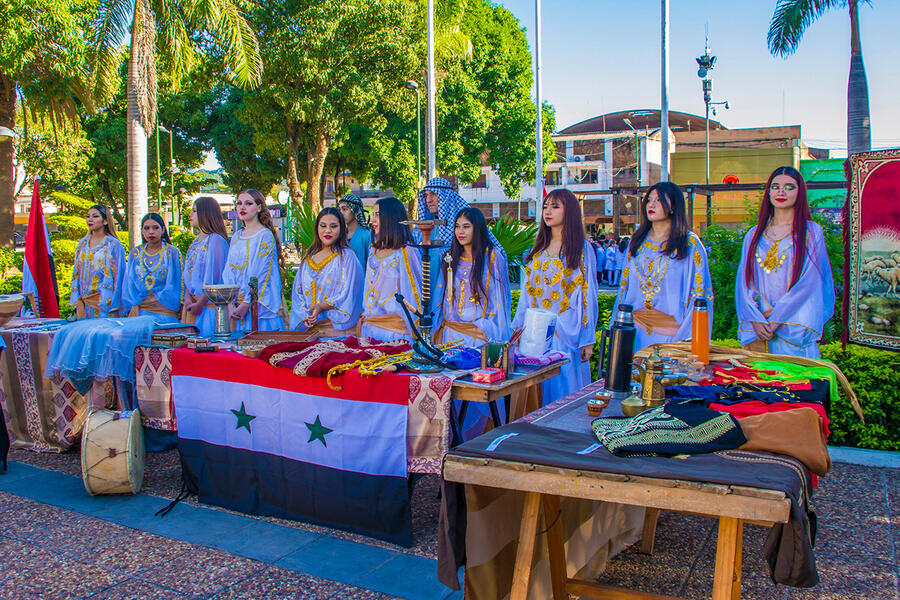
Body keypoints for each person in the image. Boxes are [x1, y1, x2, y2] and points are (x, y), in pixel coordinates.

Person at [736, 166, 835, 357]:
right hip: (760, 330)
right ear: (769, 192)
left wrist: (776, 319)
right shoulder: (753, 235)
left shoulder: (811, 232)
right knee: (761, 383)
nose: (781, 192)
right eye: (775, 186)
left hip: (793, 328)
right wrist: (754, 318)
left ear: (800, 193)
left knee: (798, 384)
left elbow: (809, 284)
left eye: (789, 187)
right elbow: (743, 283)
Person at [513, 189, 598, 404]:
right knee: (535, 394)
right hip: (535, 333)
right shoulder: (537, 251)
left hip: (565, 331)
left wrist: (588, 340)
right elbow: (526, 295)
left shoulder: (581, 250)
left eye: (555, 206)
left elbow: (588, 296)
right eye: (545, 206)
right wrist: (518, 328)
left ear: (569, 211)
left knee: (563, 392)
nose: (548, 211)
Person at [613, 182, 713, 352]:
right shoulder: (636, 243)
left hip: (673, 336)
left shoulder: (689, 244)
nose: (651, 204)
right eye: (649, 200)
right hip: (635, 334)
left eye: (658, 200)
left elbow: (700, 294)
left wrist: (688, 340)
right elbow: (624, 290)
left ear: (673, 206)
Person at [415, 177, 506, 302]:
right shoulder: (422, 229)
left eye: (433, 194)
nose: (428, 200)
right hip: (427, 289)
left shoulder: (462, 223)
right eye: (426, 195)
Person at [433, 206, 511, 347]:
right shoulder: (450, 257)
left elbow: (499, 300)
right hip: (451, 336)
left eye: (466, 226)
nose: (460, 232)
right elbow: (441, 298)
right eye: (457, 226)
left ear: (478, 229)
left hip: (480, 335)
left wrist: (490, 329)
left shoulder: (492, 258)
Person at [290, 207, 363, 334]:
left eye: (333, 226)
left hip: (336, 330)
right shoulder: (308, 259)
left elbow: (349, 293)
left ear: (341, 229)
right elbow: (298, 293)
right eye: (323, 226)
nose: (327, 230)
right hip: (308, 330)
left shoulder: (347, 257)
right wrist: (305, 316)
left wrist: (321, 307)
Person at [360, 197, 423, 343]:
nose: (373, 220)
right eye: (373, 214)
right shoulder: (372, 250)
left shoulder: (406, 251)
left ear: (390, 218)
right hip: (370, 330)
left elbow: (415, 295)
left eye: (377, 215)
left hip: (396, 334)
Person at [222, 189, 286, 332]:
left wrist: (247, 303)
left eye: (248, 203)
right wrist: (230, 303)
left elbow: (262, 273)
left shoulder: (264, 235)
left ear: (259, 207)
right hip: (236, 306)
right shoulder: (237, 236)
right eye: (239, 203)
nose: (242, 207)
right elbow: (228, 271)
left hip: (259, 306)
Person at [182, 197, 230, 337]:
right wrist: (187, 298)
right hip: (192, 305)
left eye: (195, 211)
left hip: (208, 308)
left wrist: (201, 303)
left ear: (205, 214)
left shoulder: (216, 240)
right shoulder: (196, 241)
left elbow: (215, 279)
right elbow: (187, 274)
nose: (190, 215)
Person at [122, 213, 183, 322]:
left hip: (166, 313)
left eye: (155, 228)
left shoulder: (171, 252)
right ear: (142, 231)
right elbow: (128, 284)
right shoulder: (135, 254)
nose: (151, 231)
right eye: (146, 228)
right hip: (140, 314)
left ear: (163, 229)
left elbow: (180, 283)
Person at [71, 205, 126, 318]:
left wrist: (113, 305)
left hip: (104, 306)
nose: (90, 219)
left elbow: (118, 277)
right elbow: (75, 273)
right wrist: (76, 300)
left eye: (95, 216)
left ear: (105, 221)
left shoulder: (113, 244)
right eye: (88, 216)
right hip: (83, 305)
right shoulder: (82, 244)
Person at [338, 192, 372, 271]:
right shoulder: (339, 235)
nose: (341, 213)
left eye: (345, 209)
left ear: (355, 210)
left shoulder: (367, 235)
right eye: (339, 209)